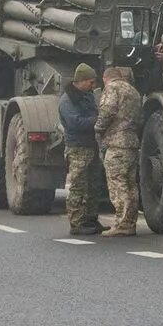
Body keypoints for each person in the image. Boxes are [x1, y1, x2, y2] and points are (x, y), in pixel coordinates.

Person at [93, 65, 143, 237]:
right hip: (131, 142)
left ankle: (121, 224)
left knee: (117, 184)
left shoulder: (112, 89)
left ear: (106, 79)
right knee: (131, 185)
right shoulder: (134, 92)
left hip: (116, 144)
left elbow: (107, 112)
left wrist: (98, 129)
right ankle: (130, 222)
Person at [58, 63, 103, 236]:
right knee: (78, 186)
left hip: (91, 146)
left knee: (93, 185)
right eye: (90, 82)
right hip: (77, 148)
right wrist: (97, 121)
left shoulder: (87, 96)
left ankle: (91, 219)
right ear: (81, 81)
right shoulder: (68, 100)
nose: (93, 86)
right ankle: (76, 223)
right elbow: (75, 123)